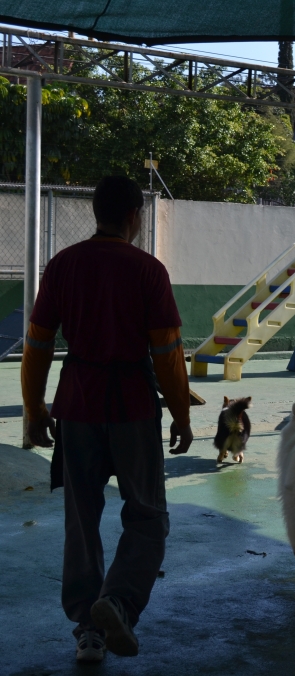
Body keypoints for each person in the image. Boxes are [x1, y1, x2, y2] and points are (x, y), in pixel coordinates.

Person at [21, 176, 193, 663]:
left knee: (82, 521)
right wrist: (181, 414)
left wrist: (35, 410)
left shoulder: (63, 265)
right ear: (135, 217)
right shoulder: (148, 270)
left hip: (75, 406)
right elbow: (168, 354)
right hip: (133, 409)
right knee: (148, 518)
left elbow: (37, 345)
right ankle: (116, 602)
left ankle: (87, 633)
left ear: (96, 213)